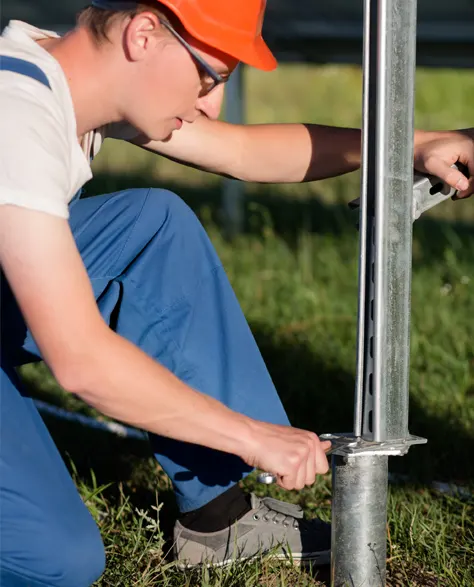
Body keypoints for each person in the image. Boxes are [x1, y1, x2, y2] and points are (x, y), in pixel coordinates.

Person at [0, 0, 472, 584]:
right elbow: (81, 362)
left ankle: (219, 518)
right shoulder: (14, 117)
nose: (210, 102)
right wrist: (250, 436)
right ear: (144, 35)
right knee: (54, 560)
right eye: (208, 76)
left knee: (153, 227)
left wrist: (414, 145)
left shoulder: (60, 79)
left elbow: (243, 152)